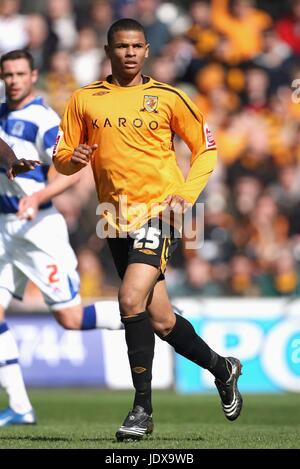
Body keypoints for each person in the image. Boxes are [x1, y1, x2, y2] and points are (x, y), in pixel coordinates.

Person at [54, 18, 243, 441]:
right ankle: (223, 368)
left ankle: (142, 409)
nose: (130, 53)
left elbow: (206, 149)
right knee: (159, 319)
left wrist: (187, 197)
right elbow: (62, 157)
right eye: (122, 46)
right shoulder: (84, 100)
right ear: (108, 50)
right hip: (112, 215)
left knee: (128, 297)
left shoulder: (169, 97)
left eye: (137, 46)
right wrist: (75, 158)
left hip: (165, 211)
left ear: (146, 51)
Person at [0, 50, 123, 427]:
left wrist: (38, 196)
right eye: (8, 74)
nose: (14, 80)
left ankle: (148, 314)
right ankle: (20, 406)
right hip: (6, 230)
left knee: (69, 318)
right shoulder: (2, 115)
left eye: (21, 73)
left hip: (39, 231)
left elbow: (73, 169)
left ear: (34, 75)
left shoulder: (42, 120)